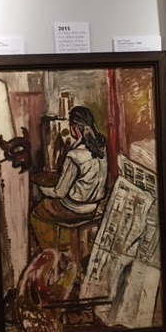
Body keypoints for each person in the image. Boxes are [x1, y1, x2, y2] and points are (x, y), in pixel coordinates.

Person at [30, 106, 108, 251]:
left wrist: (41, 189)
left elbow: (59, 192)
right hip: (93, 208)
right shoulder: (101, 149)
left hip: (74, 209)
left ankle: (52, 253)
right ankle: (67, 249)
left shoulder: (74, 155)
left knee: (37, 212)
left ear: (74, 128)